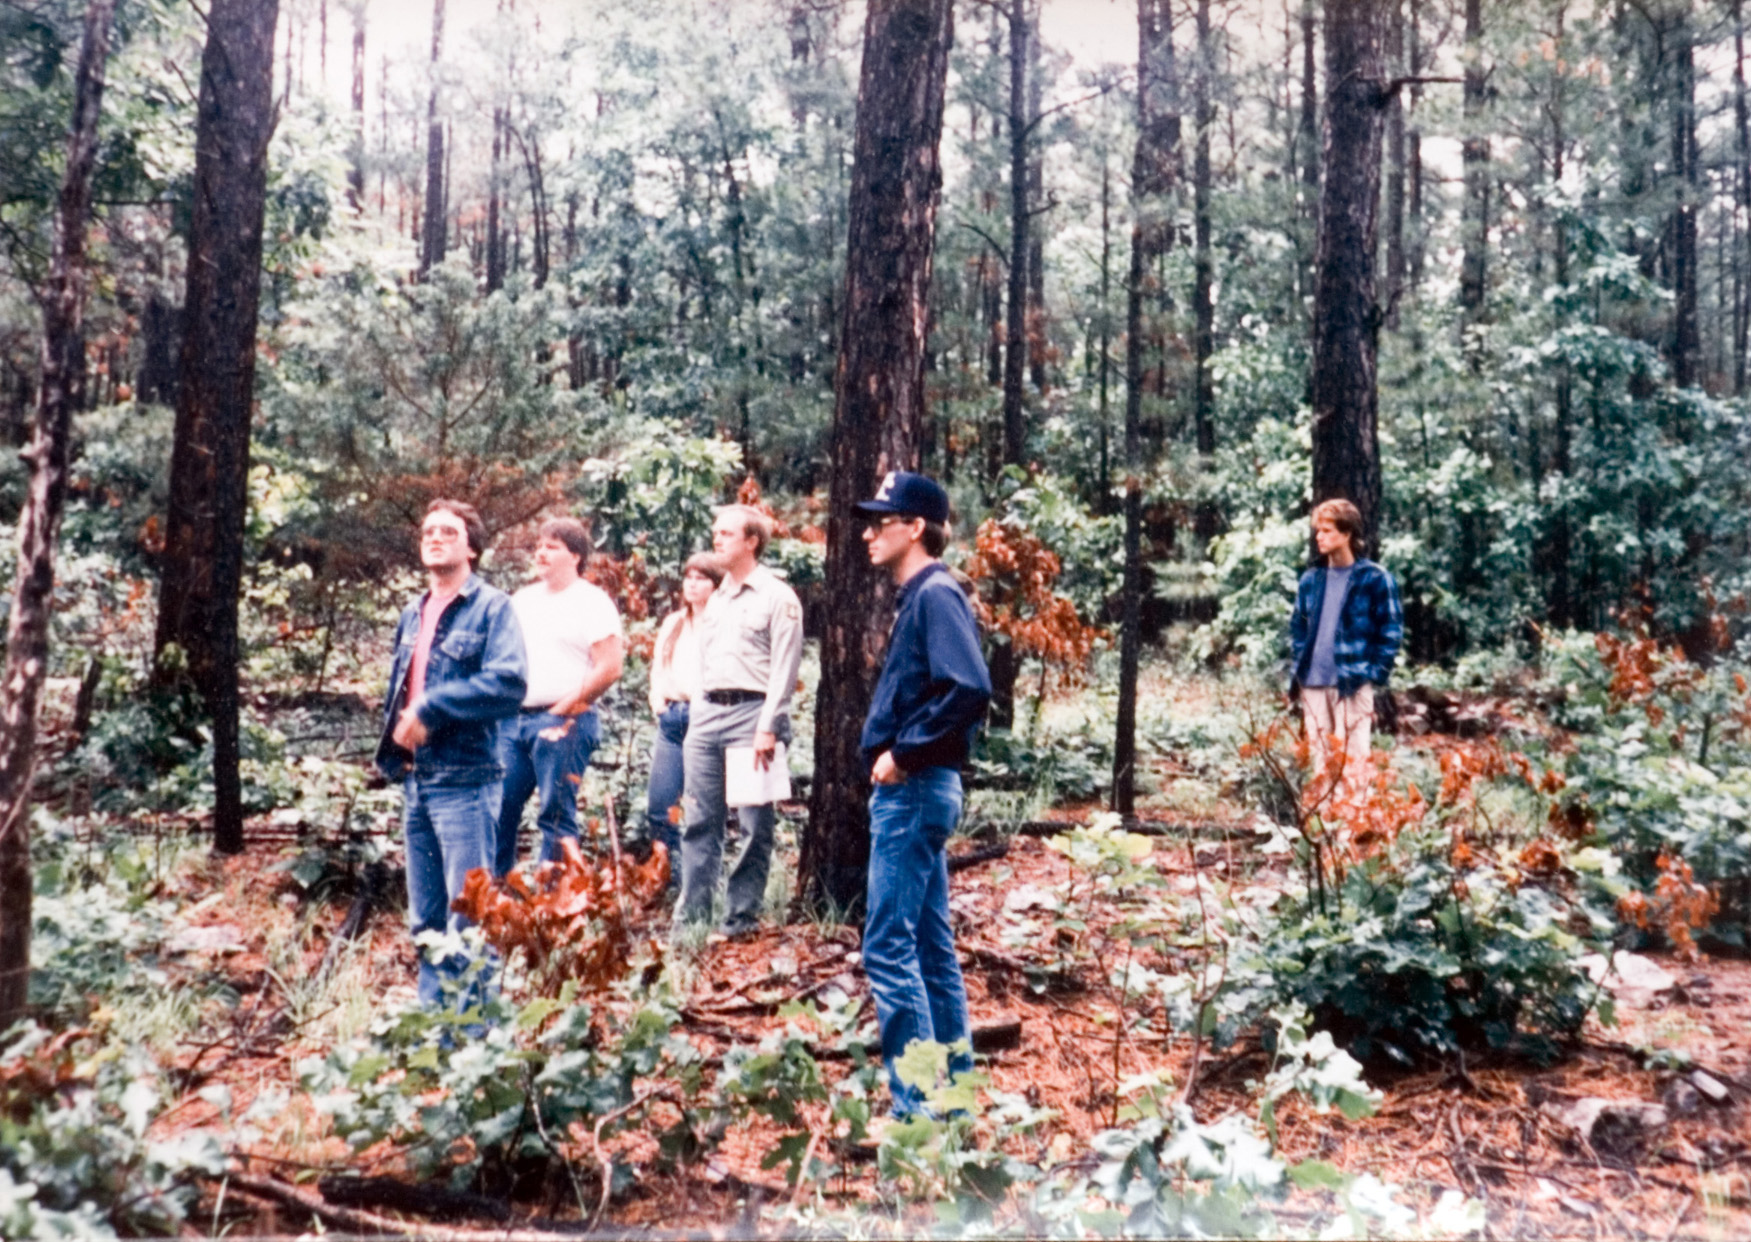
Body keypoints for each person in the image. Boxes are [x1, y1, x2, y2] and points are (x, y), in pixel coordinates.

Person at [854, 471, 992, 1119]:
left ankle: (916, 1113)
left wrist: (903, 755)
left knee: (887, 947)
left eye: (881, 522)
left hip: (913, 792)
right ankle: (954, 1103)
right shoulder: (923, 595)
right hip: (921, 792)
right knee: (931, 949)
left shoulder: (935, 593)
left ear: (915, 528)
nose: (868, 534)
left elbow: (969, 687)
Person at [375, 500, 527, 1010]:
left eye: (448, 531)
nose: (435, 538)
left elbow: (509, 684)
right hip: (417, 781)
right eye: (428, 532)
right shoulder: (413, 613)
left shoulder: (492, 608)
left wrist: (433, 707)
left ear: (472, 547)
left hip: (466, 781)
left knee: (470, 918)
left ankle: (476, 1036)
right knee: (426, 920)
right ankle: (436, 1028)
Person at [674, 504, 805, 939]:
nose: (717, 539)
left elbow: (785, 667)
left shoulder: (777, 597)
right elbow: (705, 660)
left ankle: (740, 919)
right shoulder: (716, 598)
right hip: (708, 714)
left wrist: (769, 725)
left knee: (753, 824)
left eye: (727, 533)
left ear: (752, 541)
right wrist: (698, 710)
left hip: (753, 715)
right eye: (715, 532)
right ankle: (691, 920)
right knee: (699, 819)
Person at [493, 517, 624, 877]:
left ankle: (556, 900)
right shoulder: (522, 600)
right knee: (498, 807)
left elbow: (610, 667)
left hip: (566, 721)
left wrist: (561, 710)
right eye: (538, 546)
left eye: (552, 547)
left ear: (576, 556)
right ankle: (495, 897)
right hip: (514, 722)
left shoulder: (592, 602)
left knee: (555, 813)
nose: (541, 553)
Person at [1287, 498, 1404, 796]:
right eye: (1318, 530)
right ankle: (1324, 825)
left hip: (1352, 683)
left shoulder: (1375, 579)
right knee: (1321, 766)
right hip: (1313, 685)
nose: (1319, 537)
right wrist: (1300, 667)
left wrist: (1373, 674)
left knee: (1354, 766)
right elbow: (1298, 627)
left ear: (1347, 533)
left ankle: (1352, 824)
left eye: (1327, 530)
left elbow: (1391, 630)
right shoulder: (1311, 580)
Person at [644, 552, 725, 879]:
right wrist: (658, 702)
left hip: (706, 719)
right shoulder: (674, 622)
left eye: (701, 578)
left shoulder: (723, 624)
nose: (692, 584)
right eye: (688, 577)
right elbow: (659, 668)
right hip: (672, 720)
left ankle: (700, 884)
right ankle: (668, 878)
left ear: (716, 585)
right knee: (660, 805)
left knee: (700, 809)